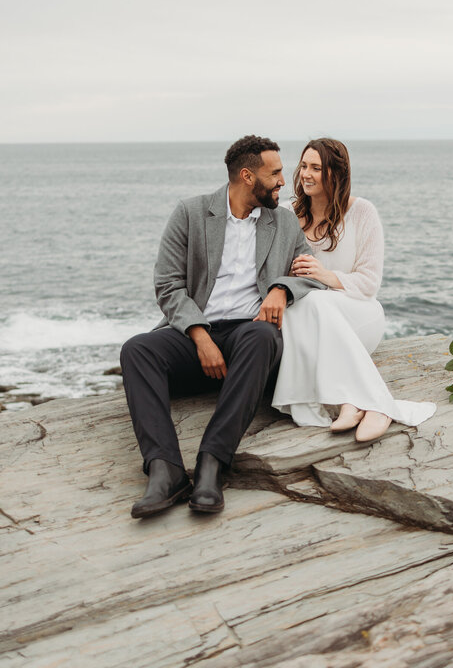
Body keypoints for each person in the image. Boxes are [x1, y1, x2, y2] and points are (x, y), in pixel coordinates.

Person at [120, 136, 323, 519]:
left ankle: (213, 463)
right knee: (136, 349)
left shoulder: (283, 220)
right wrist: (199, 336)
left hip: (250, 341)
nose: (284, 181)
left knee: (263, 335)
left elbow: (309, 270)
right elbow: (167, 285)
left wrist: (282, 289)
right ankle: (166, 470)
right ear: (248, 176)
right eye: (275, 173)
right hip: (198, 335)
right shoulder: (191, 213)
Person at [271, 138, 436, 440]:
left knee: (318, 300)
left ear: (335, 173)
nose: (306, 174)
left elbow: (369, 283)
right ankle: (356, 403)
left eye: (316, 168)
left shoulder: (363, 212)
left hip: (359, 313)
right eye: (304, 166)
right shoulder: (286, 214)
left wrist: (326, 276)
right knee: (310, 304)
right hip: (307, 319)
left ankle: (369, 403)